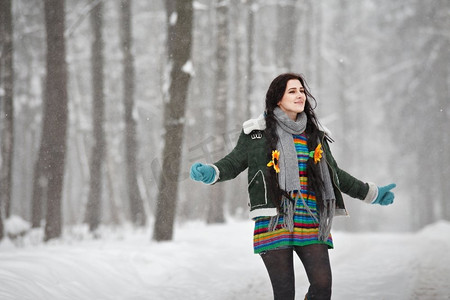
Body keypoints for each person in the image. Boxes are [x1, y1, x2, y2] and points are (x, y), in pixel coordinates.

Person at [190, 73, 396, 300]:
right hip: (274, 220)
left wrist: (371, 193)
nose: (300, 95)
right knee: (285, 293)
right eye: (292, 91)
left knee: (322, 286)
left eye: (301, 91)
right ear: (278, 98)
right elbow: (234, 162)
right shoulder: (257, 132)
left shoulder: (315, 134)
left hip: (311, 219)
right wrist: (212, 172)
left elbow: (335, 174)